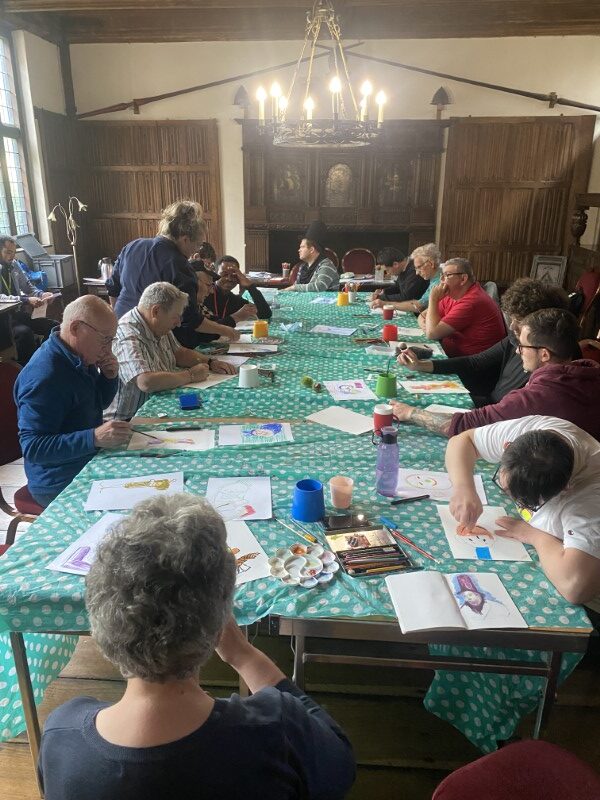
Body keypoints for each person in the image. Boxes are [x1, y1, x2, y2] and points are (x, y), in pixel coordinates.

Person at [37, 494, 356, 799]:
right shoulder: (276, 729)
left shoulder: (60, 735)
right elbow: (338, 764)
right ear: (217, 623)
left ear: (100, 615)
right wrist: (244, 655)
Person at [445, 415, 600, 607]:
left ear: (565, 489)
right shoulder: (534, 437)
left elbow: (577, 588)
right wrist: (464, 487)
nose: (515, 501)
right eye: (508, 490)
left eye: (529, 502)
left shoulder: (589, 500)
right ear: (507, 446)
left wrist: (535, 536)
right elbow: (463, 441)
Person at [392, 307, 600, 439]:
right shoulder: (587, 372)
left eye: (523, 346)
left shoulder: (538, 397)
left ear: (544, 354)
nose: (518, 351)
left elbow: (460, 426)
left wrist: (411, 412)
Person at [14, 296, 131, 507]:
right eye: (105, 339)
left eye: (112, 340)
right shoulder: (46, 375)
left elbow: (99, 404)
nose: (108, 348)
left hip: (83, 459)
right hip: (56, 480)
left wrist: (109, 378)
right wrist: (93, 437)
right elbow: (33, 448)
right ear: (76, 328)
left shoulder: (78, 356)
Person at [397, 277, 571, 405]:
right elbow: (475, 361)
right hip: (487, 403)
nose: (512, 327)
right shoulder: (515, 339)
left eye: (519, 321)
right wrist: (422, 365)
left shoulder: (552, 365)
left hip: (497, 416)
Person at [106, 201, 236, 346]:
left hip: (119, 330)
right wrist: (227, 330)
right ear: (185, 239)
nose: (197, 251)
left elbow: (113, 288)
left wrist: (120, 317)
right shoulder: (180, 265)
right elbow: (191, 319)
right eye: (198, 244)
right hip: (150, 338)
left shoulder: (132, 246)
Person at [106, 282, 237, 421]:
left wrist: (211, 362)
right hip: (128, 419)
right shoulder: (127, 334)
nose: (179, 323)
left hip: (158, 406)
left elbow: (179, 353)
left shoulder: (157, 324)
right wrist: (190, 375)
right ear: (156, 311)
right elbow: (146, 382)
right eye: (176, 316)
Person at [419, 257, 506, 356]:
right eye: (441, 276)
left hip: (472, 365)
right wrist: (427, 327)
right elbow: (422, 316)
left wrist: (433, 300)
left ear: (463, 279)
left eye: (446, 275)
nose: (441, 281)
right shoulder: (453, 293)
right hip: (451, 354)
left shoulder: (472, 301)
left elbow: (432, 334)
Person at [0, 235, 58, 365]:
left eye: (14, 253)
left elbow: (28, 287)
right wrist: (26, 300)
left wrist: (42, 294)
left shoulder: (14, 265)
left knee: (53, 326)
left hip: (17, 314)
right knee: (25, 334)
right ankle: (26, 367)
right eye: (8, 252)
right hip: (3, 320)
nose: (12, 256)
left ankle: (45, 360)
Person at [175, 261, 241, 347]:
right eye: (209, 285)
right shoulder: (181, 306)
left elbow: (211, 327)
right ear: (194, 283)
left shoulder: (200, 305)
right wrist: (230, 323)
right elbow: (192, 337)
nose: (211, 291)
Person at [371, 243, 443, 314]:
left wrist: (385, 303)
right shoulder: (434, 278)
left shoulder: (439, 281)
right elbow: (420, 305)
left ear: (431, 264)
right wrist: (384, 292)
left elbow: (419, 306)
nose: (417, 273)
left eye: (418, 268)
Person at [204, 255, 272, 323]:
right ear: (214, 274)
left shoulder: (234, 300)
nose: (229, 279)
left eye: (234, 275)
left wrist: (251, 287)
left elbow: (265, 315)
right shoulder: (204, 295)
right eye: (224, 274)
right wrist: (237, 316)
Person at [284, 221, 339, 293]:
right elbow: (297, 290)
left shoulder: (327, 265)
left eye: (302, 247)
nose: (299, 250)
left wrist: (294, 287)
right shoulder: (302, 267)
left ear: (312, 250)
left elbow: (320, 286)